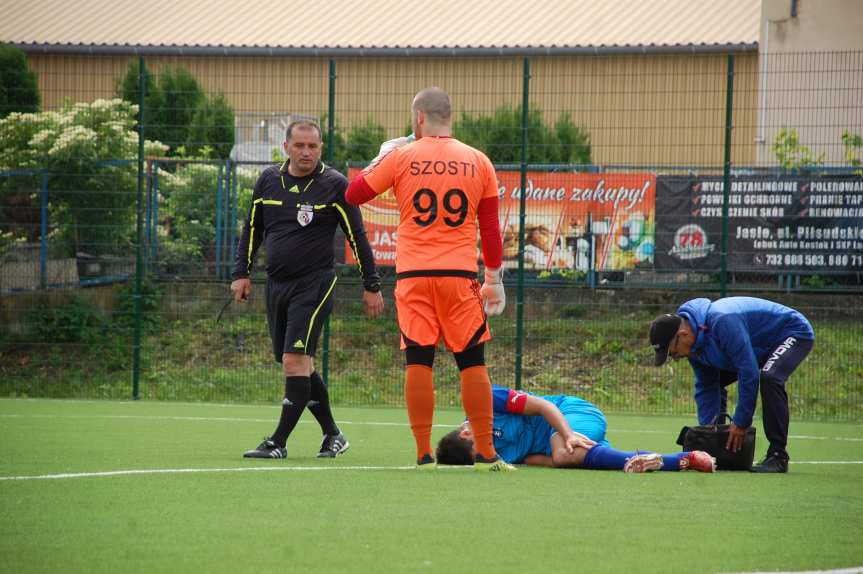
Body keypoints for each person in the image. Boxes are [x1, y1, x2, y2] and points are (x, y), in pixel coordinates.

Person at [345, 87, 513, 471]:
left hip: (414, 276)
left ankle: (423, 454)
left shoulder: (401, 156)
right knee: (472, 362)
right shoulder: (478, 161)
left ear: (418, 117)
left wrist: (383, 155)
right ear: (449, 116)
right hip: (459, 276)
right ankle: (486, 453)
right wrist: (494, 280)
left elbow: (354, 194)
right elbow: (489, 230)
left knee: (418, 362)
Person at [231, 119, 384, 459]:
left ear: (321, 148)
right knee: (297, 364)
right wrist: (241, 273)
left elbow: (357, 236)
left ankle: (278, 442)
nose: (306, 152)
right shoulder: (269, 180)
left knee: (293, 361)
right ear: (286, 147)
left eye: (312, 146)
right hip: (276, 284)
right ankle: (333, 434)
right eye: (299, 145)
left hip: (314, 284)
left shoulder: (334, 185)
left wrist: (371, 285)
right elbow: (252, 228)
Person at [649, 296, 815, 473]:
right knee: (715, 382)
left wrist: (741, 422)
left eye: (672, 352)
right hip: (755, 348)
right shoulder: (694, 348)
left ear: (683, 335)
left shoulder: (722, 321)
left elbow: (748, 372)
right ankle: (720, 446)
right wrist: (709, 438)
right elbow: (707, 387)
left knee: (770, 377)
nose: (675, 359)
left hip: (791, 332)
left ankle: (778, 456)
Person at [435, 385, 716, 473]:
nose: (487, 454)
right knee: (564, 459)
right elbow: (535, 459)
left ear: (465, 433)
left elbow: (545, 407)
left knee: (562, 455)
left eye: (479, 450)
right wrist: (573, 455)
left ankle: (677, 458)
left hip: (570, 414)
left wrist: (567, 436)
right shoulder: (491, 455)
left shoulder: (485, 402)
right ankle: (681, 460)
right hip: (559, 441)